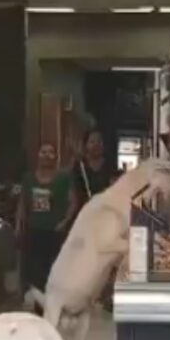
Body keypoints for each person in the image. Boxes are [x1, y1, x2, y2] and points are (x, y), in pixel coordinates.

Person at [16, 142, 80, 312]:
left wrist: (64, 222)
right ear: (37, 155)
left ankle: (55, 305)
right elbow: (22, 205)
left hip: (55, 233)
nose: (46, 155)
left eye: (51, 152)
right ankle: (39, 306)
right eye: (43, 152)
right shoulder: (28, 179)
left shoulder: (64, 178)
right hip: (34, 231)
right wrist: (19, 226)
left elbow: (73, 202)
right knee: (35, 272)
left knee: (55, 271)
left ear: (56, 157)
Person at [73, 128, 109, 201]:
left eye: (99, 141)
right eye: (92, 142)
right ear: (85, 145)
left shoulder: (109, 166)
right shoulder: (79, 166)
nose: (96, 145)